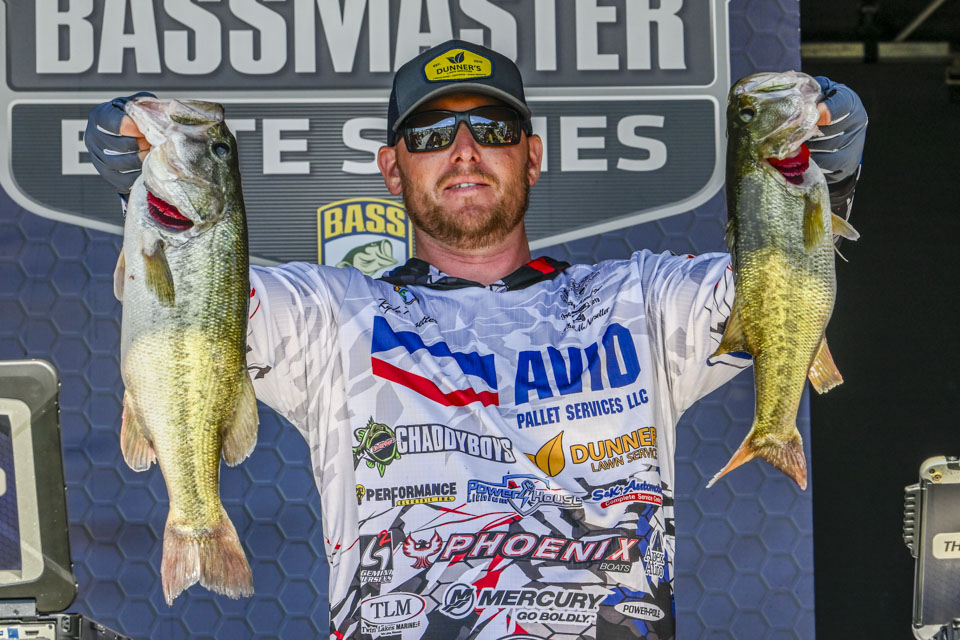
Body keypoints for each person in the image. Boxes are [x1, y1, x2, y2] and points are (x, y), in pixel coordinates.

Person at [85, 39, 867, 640]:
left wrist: (819, 167)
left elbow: (779, 275)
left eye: (491, 128)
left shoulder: (644, 301)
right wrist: (143, 174)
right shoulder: (329, 315)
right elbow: (197, 296)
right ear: (393, 169)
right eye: (431, 134)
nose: (463, 150)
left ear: (532, 155)